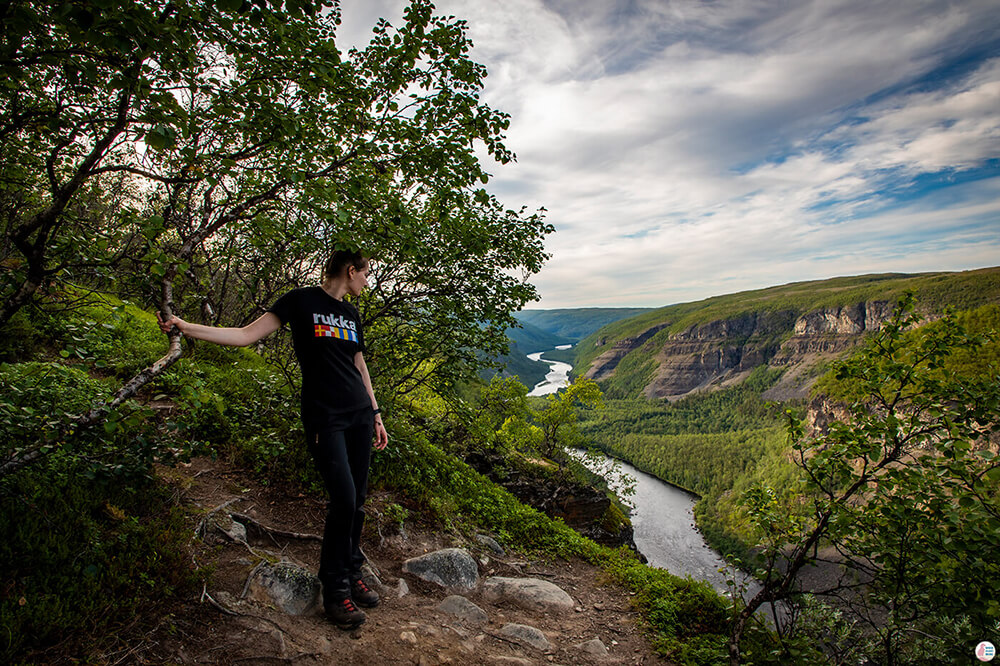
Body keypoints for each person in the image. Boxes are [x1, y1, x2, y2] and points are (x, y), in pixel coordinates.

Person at [157, 250, 389, 630]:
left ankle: (350, 571)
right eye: (366, 273)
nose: (368, 280)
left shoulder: (351, 314)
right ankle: (335, 592)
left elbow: (358, 364)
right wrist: (185, 326)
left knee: (358, 501)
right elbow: (246, 335)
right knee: (344, 499)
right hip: (324, 417)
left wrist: (376, 414)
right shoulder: (301, 301)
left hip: (359, 416)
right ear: (351, 271)